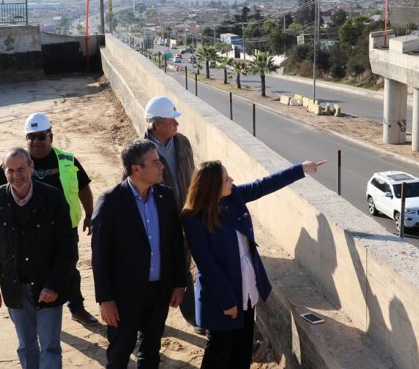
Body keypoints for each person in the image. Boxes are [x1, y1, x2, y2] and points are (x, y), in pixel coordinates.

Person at [181, 159, 326, 369]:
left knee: (241, 352)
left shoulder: (233, 196)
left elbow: (264, 185)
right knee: (218, 353)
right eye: (226, 179)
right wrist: (228, 302)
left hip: (246, 288)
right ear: (212, 187)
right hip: (221, 298)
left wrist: (300, 169)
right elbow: (207, 266)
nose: (231, 181)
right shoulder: (193, 219)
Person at [0, 112, 98, 327]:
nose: (36, 141)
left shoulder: (66, 160)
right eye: (31, 137)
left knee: (68, 268)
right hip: (27, 228)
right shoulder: (18, 163)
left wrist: (90, 214)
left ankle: (77, 307)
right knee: (31, 271)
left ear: (51, 137)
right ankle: (40, 311)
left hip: (63, 226)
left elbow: (83, 186)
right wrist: (0, 210)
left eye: (41, 136)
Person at [91, 139, 187, 368]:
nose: (162, 166)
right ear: (136, 169)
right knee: (120, 352)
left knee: (151, 352)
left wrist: (179, 284)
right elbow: (100, 257)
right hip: (124, 296)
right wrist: (105, 300)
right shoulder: (110, 202)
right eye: (155, 162)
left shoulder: (165, 197)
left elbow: (175, 244)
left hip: (159, 291)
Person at [0, 147, 76, 369]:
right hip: (14, 287)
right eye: (10, 170)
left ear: (32, 167)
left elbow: (67, 247)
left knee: (50, 347)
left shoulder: (53, 197)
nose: (17, 175)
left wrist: (53, 285)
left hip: (48, 287)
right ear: (4, 172)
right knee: (26, 346)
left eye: (21, 169)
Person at [143, 96, 196, 326]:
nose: (177, 124)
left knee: (184, 265)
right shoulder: (140, 151)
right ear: (156, 125)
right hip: (158, 221)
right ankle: (154, 320)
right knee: (159, 268)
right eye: (172, 121)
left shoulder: (182, 142)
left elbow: (192, 174)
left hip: (186, 213)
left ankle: (192, 315)